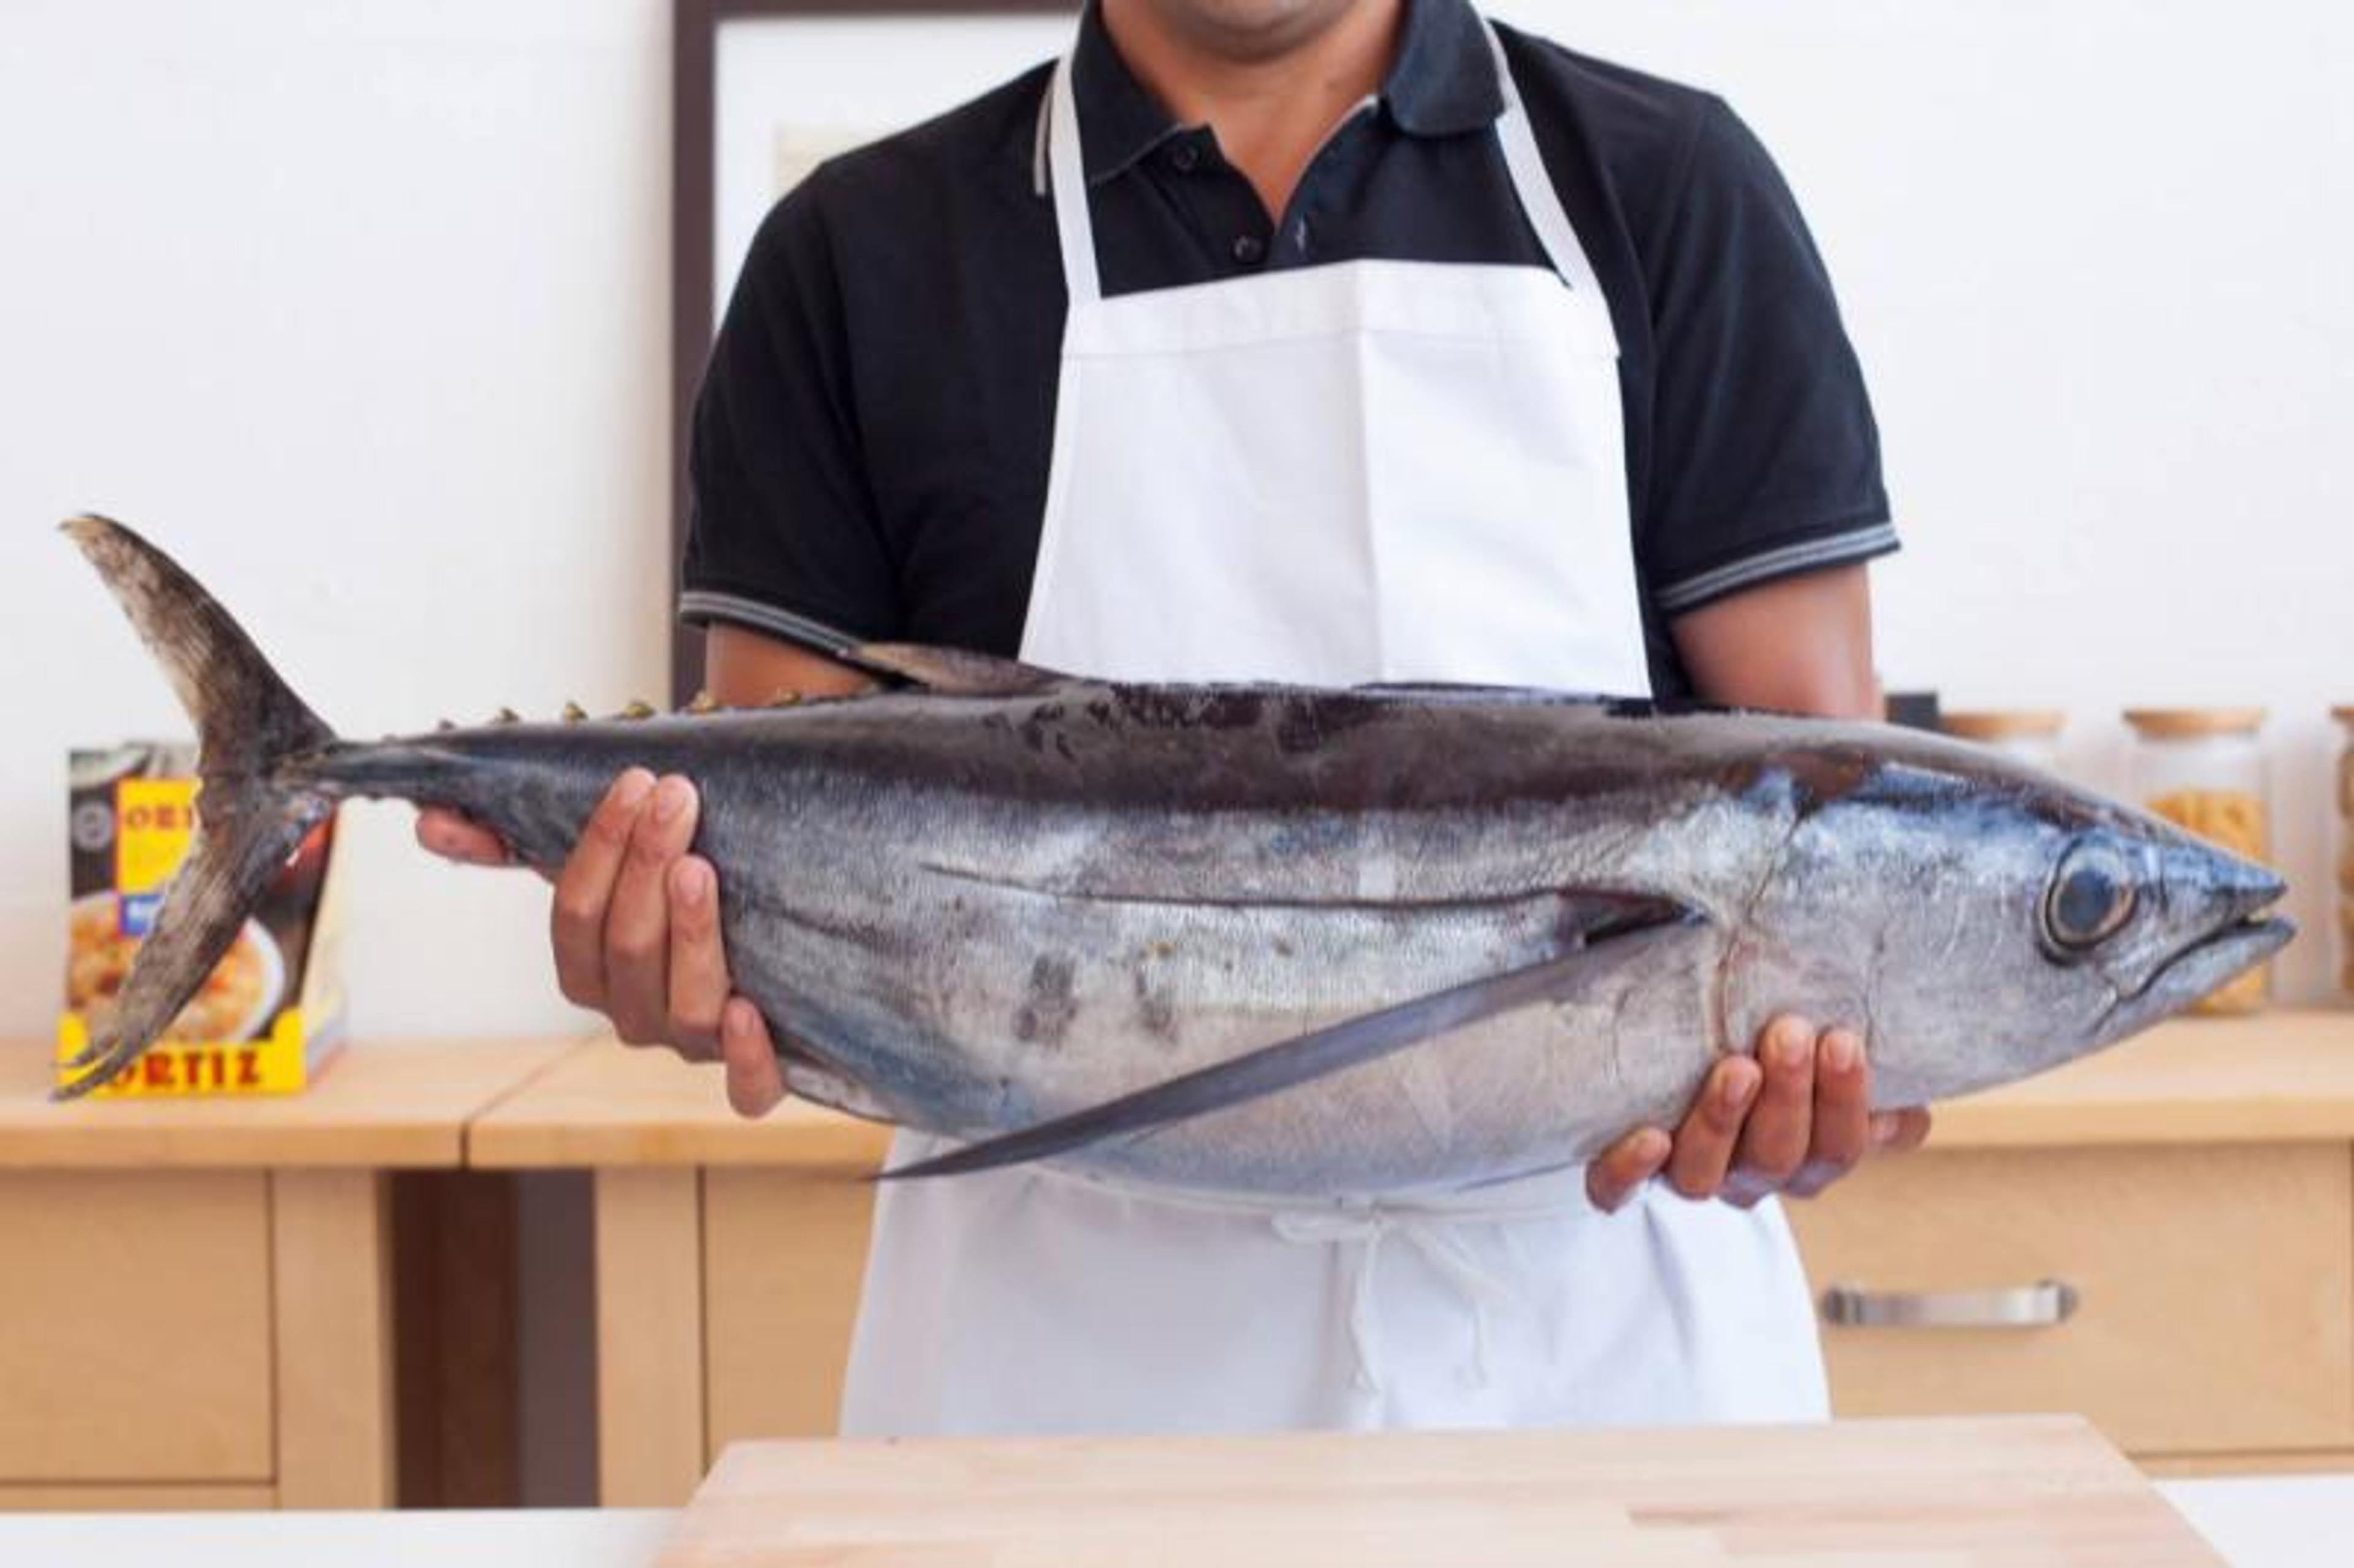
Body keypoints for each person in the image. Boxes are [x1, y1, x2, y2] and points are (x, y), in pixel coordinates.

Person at [424, 0, 1931, 1435]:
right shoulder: (858, 254)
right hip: (1055, 1388)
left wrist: (1822, 1093)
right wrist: (691, 953)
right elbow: (772, 838)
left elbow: (1824, 870)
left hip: (1602, 1381)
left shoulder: (1672, 193)